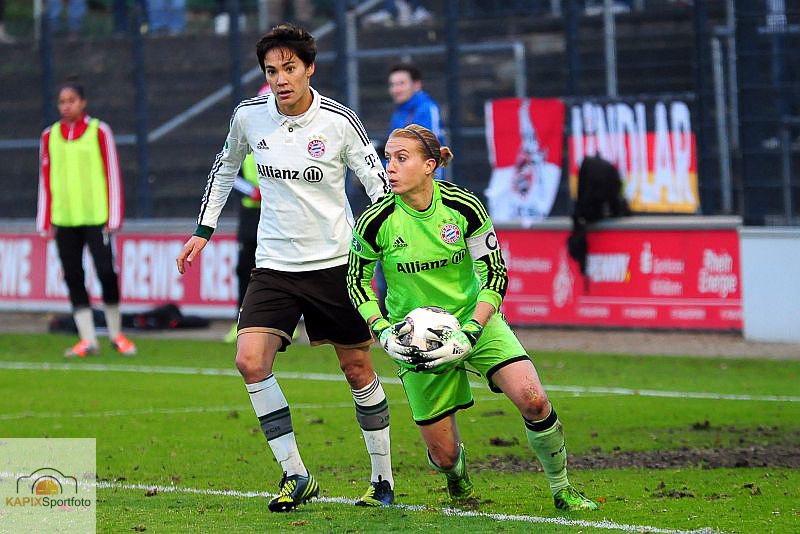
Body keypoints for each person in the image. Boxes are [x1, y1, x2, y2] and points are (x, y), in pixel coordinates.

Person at [175, 23, 395, 512]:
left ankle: (382, 479)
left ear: (309, 68)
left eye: (289, 68)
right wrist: (203, 229)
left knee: (357, 368)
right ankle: (296, 475)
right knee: (250, 361)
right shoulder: (248, 116)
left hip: (336, 264)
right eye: (271, 71)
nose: (280, 79)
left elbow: (377, 184)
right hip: (274, 264)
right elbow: (225, 166)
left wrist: (388, 243)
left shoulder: (339, 121)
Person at [346, 124, 598, 512]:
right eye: (387, 159)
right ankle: (457, 476)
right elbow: (356, 281)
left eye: (401, 158)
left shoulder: (463, 206)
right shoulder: (375, 220)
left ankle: (562, 488)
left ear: (429, 165)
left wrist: (472, 329)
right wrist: (382, 330)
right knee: (444, 456)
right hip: (416, 341)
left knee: (534, 400)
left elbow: (494, 273)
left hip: (473, 322)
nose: (389, 167)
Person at [37, 80, 137, 358]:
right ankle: (88, 339)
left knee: (106, 273)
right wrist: (45, 220)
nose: (66, 106)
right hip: (64, 219)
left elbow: (112, 172)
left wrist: (113, 215)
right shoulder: (49, 136)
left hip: (96, 217)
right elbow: (45, 179)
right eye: (62, 101)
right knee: (73, 276)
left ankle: (116, 334)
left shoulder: (99, 131)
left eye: (71, 100)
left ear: (82, 102)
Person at [224, 83, 271, 344]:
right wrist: (253, 192)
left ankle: (282, 322)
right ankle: (241, 321)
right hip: (251, 216)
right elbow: (228, 172)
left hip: (279, 215)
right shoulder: (245, 133)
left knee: (279, 268)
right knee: (245, 268)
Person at [388, 63, 442, 144]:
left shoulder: (427, 109)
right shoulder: (398, 112)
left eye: (401, 83)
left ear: (417, 85)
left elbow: (431, 147)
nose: (396, 90)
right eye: (393, 84)